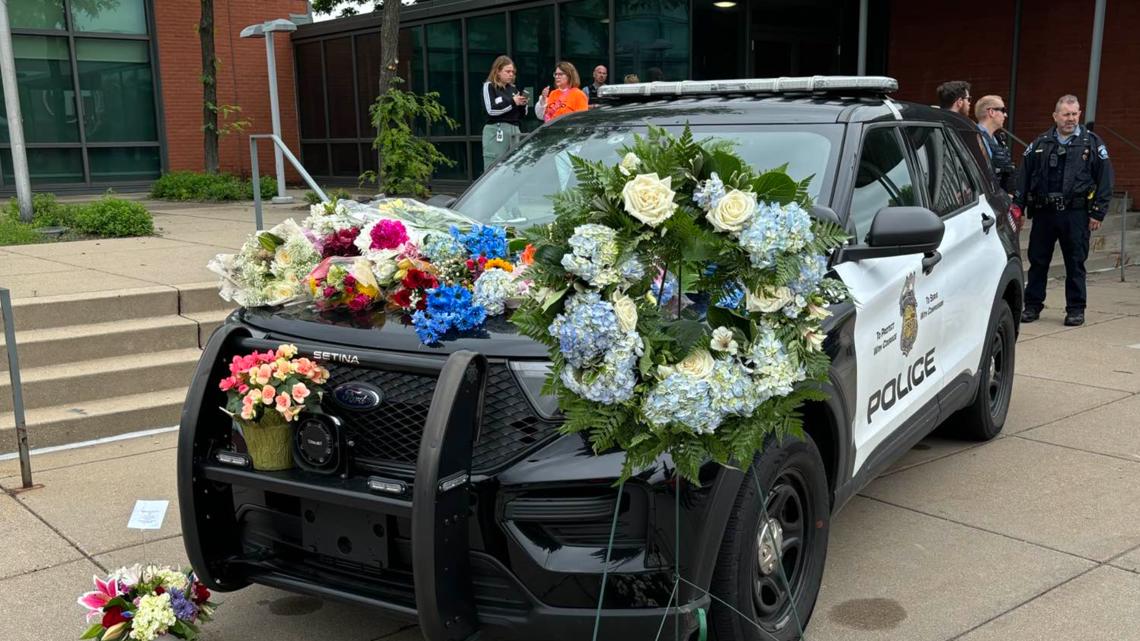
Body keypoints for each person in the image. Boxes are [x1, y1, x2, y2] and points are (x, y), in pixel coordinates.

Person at [1015, 94, 1114, 327]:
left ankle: (1076, 309)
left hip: (1076, 213)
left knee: (1075, 262)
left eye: (1075, 114)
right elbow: (1024, 176)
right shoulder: (1040, 143)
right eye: (1066, 114)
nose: (1071, 119)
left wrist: (1098, 211)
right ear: (1055, 116)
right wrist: (1018, 206)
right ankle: (1032, 306)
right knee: (1038, 261)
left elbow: (1106, 179)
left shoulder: (1092, 143)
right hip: (1044, 212)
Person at [481, 55, 528, 168]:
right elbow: (491, 110)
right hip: (497, 130)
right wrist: (512, 102)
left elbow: (522, 115)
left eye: (513, 72)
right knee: (494, 167)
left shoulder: (513, 89)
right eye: (507, 71)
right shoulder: (489, 87)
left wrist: (522, 105)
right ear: (498, 71)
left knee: (515, 167)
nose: (511, 74)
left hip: (515, 129)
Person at [974, 95, 1016, 192]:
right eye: (1003, 110)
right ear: (991, 112)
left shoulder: (997, 139)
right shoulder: (976, 138)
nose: (1005, 115)